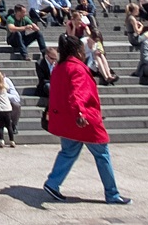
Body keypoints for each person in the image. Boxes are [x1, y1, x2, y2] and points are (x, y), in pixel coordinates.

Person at [41, 34, 130, 205]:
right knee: (102, 154)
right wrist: (80, 113)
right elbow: (77, 93)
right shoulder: (77, 68)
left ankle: (53, 182)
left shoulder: (59, 67)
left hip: (66, 120)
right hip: (83, 120)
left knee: (68, 152)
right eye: (82, 49)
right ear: (77, 50)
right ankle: (112, 193)